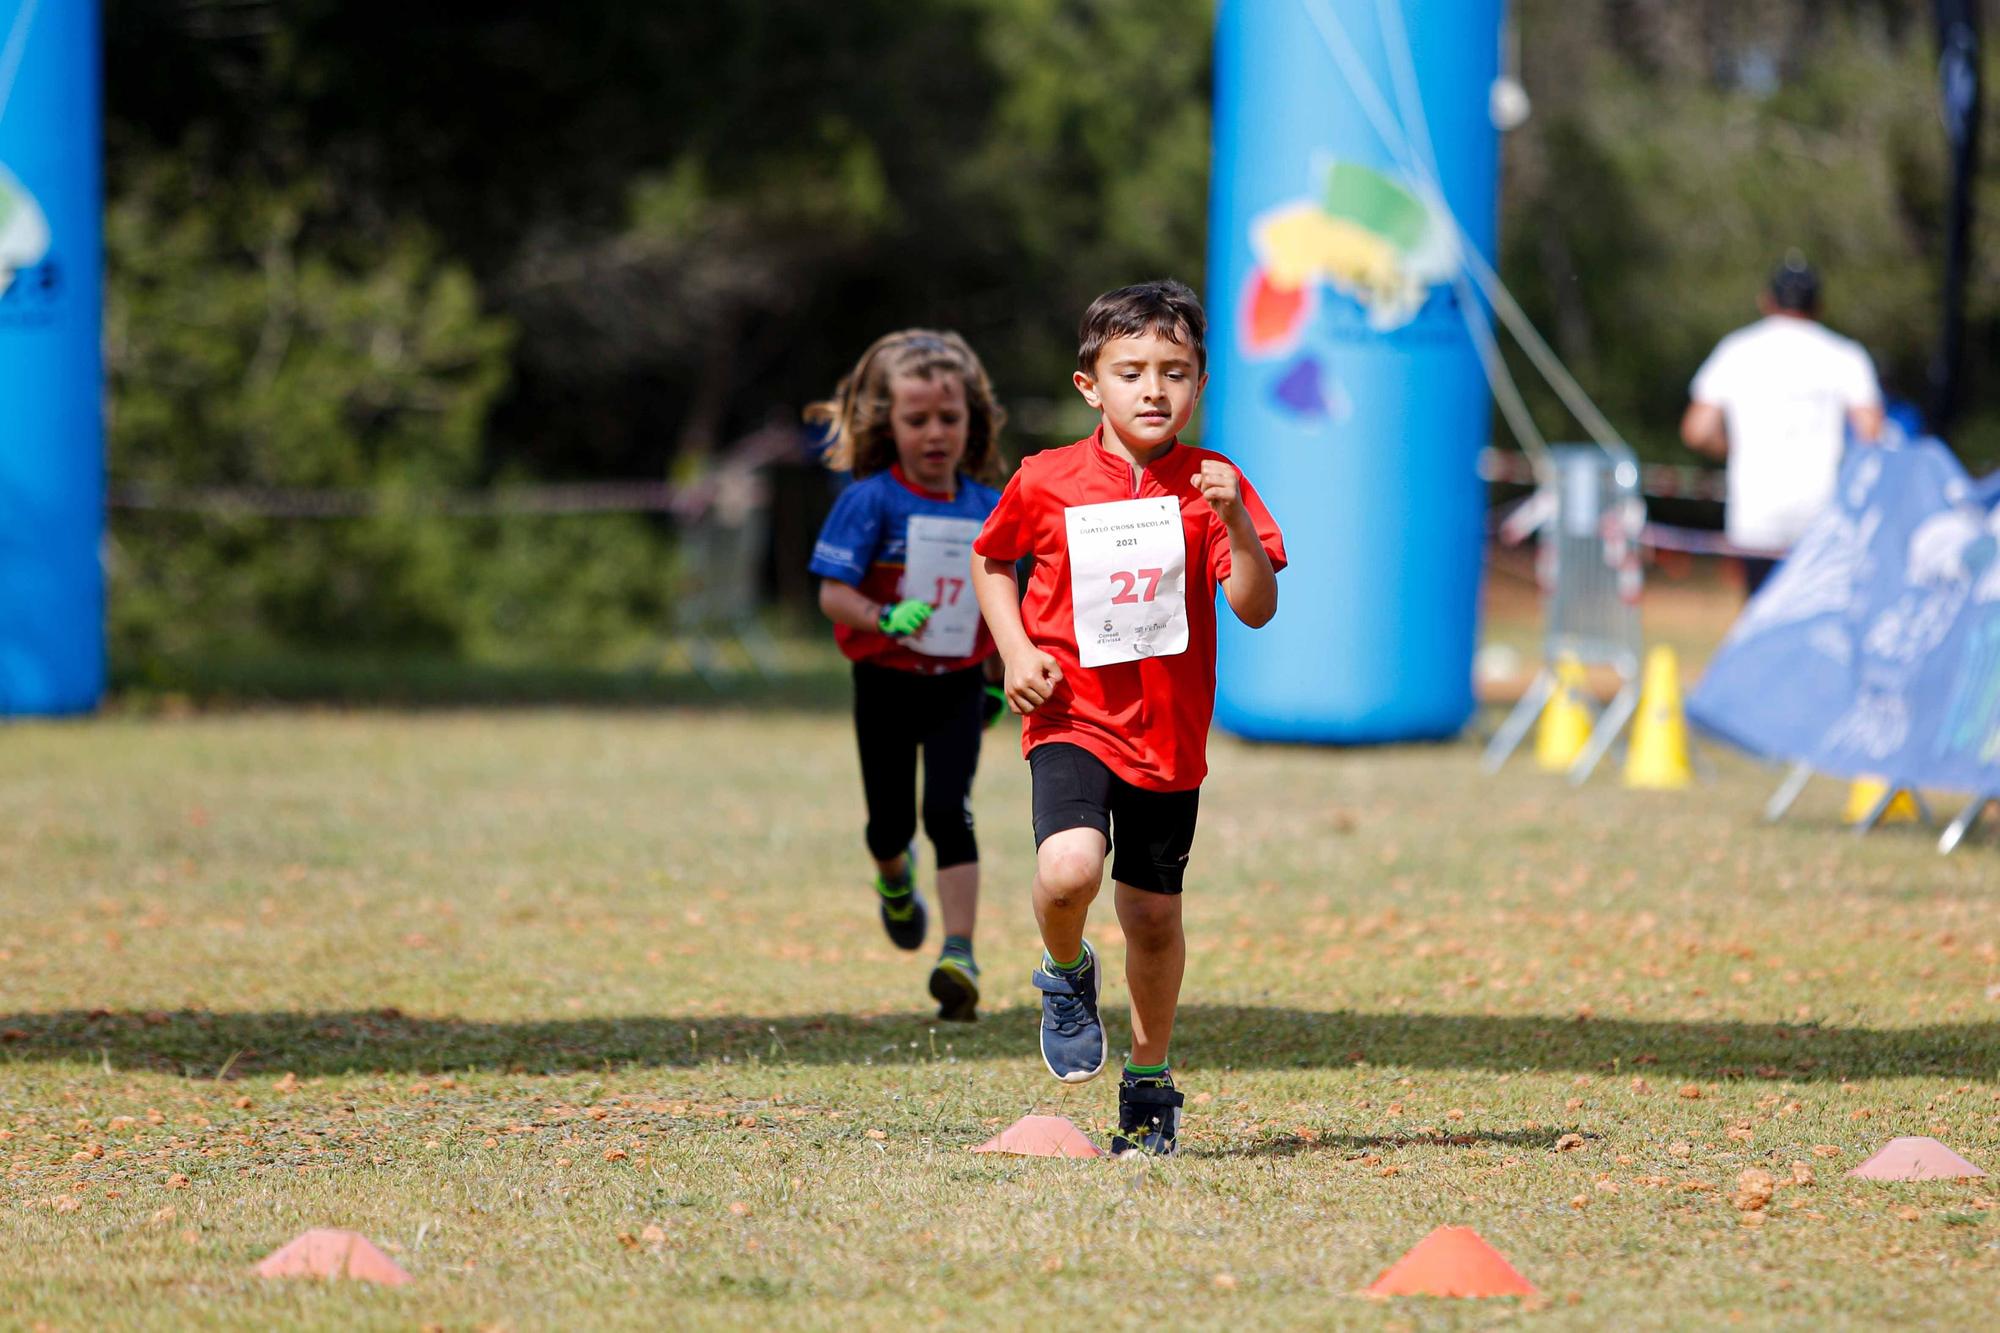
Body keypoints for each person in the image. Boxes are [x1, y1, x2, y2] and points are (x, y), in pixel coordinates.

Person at [970, 280, 1286, 1155]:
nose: (1154, 390)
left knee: (1151, 915)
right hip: (1070, 713)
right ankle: (1065, 970)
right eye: (1132, 371)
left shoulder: (1214, 486)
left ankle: (1149, 1077)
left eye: (1175, 372)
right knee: (1069, 869)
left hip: (1169, 738)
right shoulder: (1046, 480)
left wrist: (1236, 524)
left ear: (1200, 384)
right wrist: (1015, 650)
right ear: (1089, 385)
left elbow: (1255, 606)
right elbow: (992, 561)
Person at [806, 330, 1010, 1021]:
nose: (934, 433)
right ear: (885, 424)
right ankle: (895, 881)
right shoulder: (869, 503)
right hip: (885, 684)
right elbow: (832, 593)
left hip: (956, 685)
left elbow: (1003, 601)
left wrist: (996, 675)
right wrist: (883, 615)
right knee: (889, 823)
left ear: (970, 423)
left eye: (948, 419)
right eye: (916, 419)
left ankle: (960, 953)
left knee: (950, 810)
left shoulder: (988, 505)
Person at [1680, 255, 1885, 595]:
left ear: (1766, 300)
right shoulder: (1845, 355)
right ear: (1819, 305)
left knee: (1760, 621)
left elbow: (1696, 430)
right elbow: (1873, 435)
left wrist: (1732, 449)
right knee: (1816, 623)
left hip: (1755, 513)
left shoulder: (1736, 350)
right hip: (1821, 513)